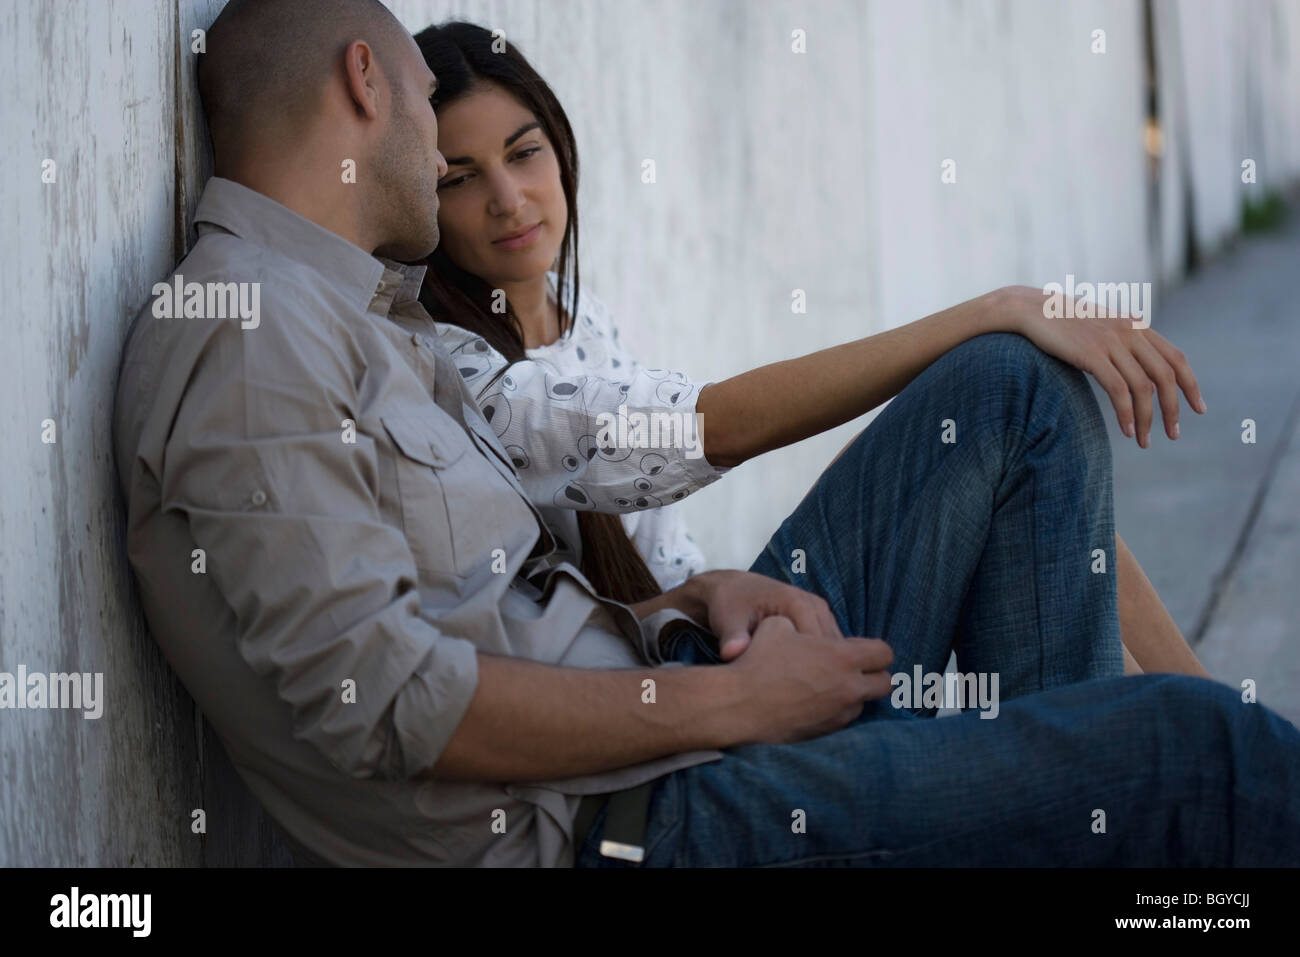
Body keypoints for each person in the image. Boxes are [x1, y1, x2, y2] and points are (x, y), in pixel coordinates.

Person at [113, 0, 1300, 868]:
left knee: (1010, 393)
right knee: (1201, 751)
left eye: (520, 153)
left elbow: (503, 600)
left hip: (665, 705)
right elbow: (384, 701)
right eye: (435, 121)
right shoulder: (253, 330)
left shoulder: (347, 317)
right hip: (630, 818)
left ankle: (1067, 797)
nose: (452, 166)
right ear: (367, 83)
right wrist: (737, 710)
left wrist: (688, 608)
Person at [414, 21, 1208, 680]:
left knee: (1017, 446)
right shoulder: (458, 368)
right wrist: (996, 309)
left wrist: (718, 589)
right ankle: (1197, 759)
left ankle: (1213, 736)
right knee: (1006, 393)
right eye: (460, 178)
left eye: (524, 153)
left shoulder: (580, 318)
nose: (508, 199)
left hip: (711, 631)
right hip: (677, 688)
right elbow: (706, 427)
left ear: (560, 149)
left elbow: (667, 557)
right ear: (426, 203)